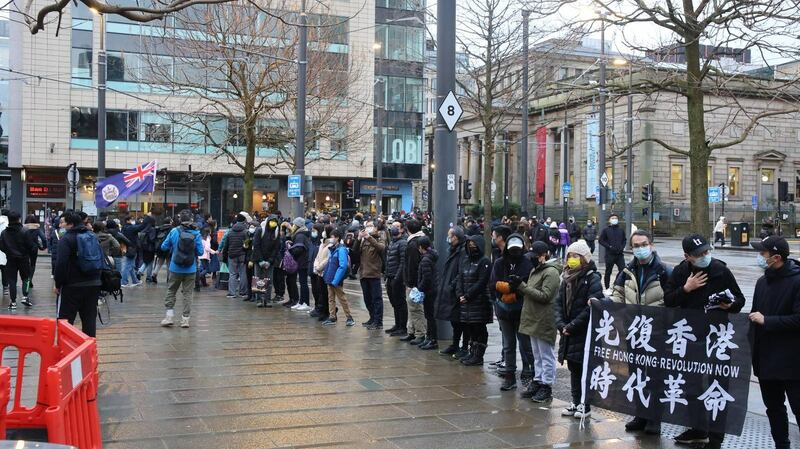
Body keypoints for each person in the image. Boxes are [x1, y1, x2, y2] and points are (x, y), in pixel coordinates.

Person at [664, 234, 745, 449]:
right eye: (699, 254)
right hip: (691, 338)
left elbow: (740, 299)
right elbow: (669, 300)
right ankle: (698, 428)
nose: (705, 256)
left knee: (717, 387)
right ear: (687, 256)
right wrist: (686, 289)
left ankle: (716, 438)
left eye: (706, 252)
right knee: (692, 386)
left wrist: (731, 305)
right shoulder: (681, 272)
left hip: (718, 339)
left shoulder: (720, 270)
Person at [611, 230, 669, 435]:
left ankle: (654, 419)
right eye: (636, 246)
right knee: (636, 375)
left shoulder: (664, 271)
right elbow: (617, 295)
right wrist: (603, 305)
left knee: (655, 377)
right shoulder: (626, 271)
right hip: (634, 332)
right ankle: (640, 415)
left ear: (651, 245)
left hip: (657, 334)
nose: (640, 248)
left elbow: (672, 300)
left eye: (643, 244)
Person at [749, 235, 800, 449]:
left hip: (793, 361)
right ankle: (782, 445)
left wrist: (766, 320)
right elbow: (755, 313)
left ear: (776, 257)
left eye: (763, 253)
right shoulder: (763, 281)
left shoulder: (797, 281)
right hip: (767, 360)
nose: (760, 257)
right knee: (774, 408)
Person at [555, 240, 603, 420]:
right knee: (573, 368)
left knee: (584, 369)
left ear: (584, 258)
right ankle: (575, 401)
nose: (572, 259)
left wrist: (572, 325)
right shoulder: (566, 277)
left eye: (576, 256)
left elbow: (592, 306)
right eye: (569, 256)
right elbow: (558, 303)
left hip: (583, 332)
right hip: (568, 332)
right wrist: (561, 324)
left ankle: (586, 404)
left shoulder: (592, 278)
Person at [516, 241, 562, 403]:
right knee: (537, 354)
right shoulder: (536, 270)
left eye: (535, 256)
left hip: (544, 318)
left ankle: (546, 385)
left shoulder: (551, 272)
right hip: (534, 317)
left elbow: (545, 296)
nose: (532, 259)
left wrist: (521, 286)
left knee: (546, 355)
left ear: (543, 256)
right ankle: (538, 379)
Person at [490, 232, 535, 391]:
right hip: (504, 309)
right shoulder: (500, 262)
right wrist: (505, 290)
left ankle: (529, 371)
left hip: (521, 308)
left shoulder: (527, 263)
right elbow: (494, 283)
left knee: (525, 343)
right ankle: (510, 376)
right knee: (508, 344)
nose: (514, 252)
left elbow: (525, 283)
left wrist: (512, 291)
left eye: (517, 248)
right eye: (512, 249)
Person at [53, 211, 102, 337]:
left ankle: (66, 351)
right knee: (89, 320)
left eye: (63, 223)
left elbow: (61, 264)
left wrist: (58, 283)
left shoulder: (66, 239)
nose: (61, 225)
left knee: (65, 321)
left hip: (72, 286)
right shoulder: (92, 236)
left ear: (71, 224)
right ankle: (89, 352)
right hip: (93, 284)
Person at [159, 210, 204, 328]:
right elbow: (200, 252)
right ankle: (185, 320)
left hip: (175, 267)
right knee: (188, 294)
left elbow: (163, 247)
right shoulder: (197, 234)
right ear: (192, 220)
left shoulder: (174, 231)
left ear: (180, 220)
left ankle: (169, 317)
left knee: (171, 290)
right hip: (191, 269)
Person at [455, 235, 493, 366]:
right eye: (469, 244)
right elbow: (459, 278)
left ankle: (478, 355)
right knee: (470, 328)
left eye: (474, 244)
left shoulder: (485, 261)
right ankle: (472, 352)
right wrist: (460, 294)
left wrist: (468, 295)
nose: (471, 247)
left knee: (479, 328)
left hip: (479, 301)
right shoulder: (465, 260)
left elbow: (482, 281)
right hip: (466, 303)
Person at [436, 226, 467, 357]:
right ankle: (455, 344)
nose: (448, 238)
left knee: (461, 321)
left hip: (457, 291)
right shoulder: (453, 250)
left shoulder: (463, 251)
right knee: (455, 320)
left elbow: (461, 272)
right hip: (451, 289)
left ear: (456, 237)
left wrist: (452, 285)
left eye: (450, 235)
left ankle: (463, 347)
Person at [354, 220, 386, 329]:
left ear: (376, 228)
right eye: (367, 226)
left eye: (371, 226)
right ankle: (372, 318)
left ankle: (378, 321)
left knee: (376, 298)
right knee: (367, 298)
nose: (368, 228)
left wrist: (369, 237)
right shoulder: (363, 240)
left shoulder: (379, 237)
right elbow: (355, 252)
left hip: (374, 273)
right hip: (363, 273)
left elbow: (381, 248)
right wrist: (358, 239)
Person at [322, 228, 355, 327]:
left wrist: (336, 280)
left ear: (337, 238)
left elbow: (343, 265)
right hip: (331, 278)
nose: (331, 239)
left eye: (332, 237)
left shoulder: (341, 249)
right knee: (331, 298)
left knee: (342, 298)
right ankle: (332, 317)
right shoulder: (333, 249)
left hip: (335, 279)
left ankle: (349, 317)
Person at [0, 212, 34, 309]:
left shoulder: (4, 233)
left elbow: (1, 246)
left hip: (10, 259)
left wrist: (8, 252)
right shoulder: (25, 231)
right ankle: (25, 297)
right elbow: (31, 245)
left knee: (12, 281)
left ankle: (13, 302)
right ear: (19, 219)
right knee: (26, 279)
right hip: (23, 259)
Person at [401, 219, 426, 345]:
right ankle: (411, 331)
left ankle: (420, 333)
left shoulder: (412, 244)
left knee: (415, 308)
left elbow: (412, 265)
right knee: (412, 308)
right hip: (415, 282)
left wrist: (411, 282)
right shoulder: (420, 240)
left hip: (413, 283)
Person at [385, 221, 408, 336]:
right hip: (390, 276)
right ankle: (397, 324)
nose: (394, 228)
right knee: (394, 302)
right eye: (393, 226)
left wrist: (397, 278)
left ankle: (402, 327)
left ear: (402, 230)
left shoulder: (402, 243)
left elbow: (403, 262)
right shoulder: (392, 242)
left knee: (400, 302)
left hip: (397, 278)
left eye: (397, 227)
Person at [252, 215, 281, 306]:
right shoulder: (261, 230)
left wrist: (270, 261)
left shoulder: (276, 232)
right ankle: (259, 300)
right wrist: (260, 260)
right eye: (272, 221)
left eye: (275, 222)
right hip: (258, 259)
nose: (273, 224)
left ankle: (267, 299)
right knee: (259, 279)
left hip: (270, 261)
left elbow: (276, 248)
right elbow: (256, 246)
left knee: (269, 280)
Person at [416, 236, 438, 350]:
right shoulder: (430, 257)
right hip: (431, 290)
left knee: (430, 316)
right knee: (429, 316)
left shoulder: (425, 260)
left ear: (420, 247)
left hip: (429, 291)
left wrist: (420, 288)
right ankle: (429, 338)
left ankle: (432, 339)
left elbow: (426, 277)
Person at [221, 214, 249, 299]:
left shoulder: (230, 231)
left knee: (232, 274)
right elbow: (247, 244)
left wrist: (224, 256)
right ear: (244, 221)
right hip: (242, 255)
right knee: (243, 273)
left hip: (232, 255)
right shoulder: (245, 232)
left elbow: (226, 245)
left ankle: (232, 293)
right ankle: (243, 292)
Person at [287, 217, 311, 311]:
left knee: (303, 283)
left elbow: (299, 248)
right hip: (302, 261)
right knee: (302, 282)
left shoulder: (300, 235)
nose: (292, 226)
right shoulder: (301, 234)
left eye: (294, 224)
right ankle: (301, 302)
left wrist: (291, 249)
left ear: (297, 225)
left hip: (302, 261)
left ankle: (305, 303)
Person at [599, 213, 626, 289]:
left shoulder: (621, 230)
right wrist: (609, 246)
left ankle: (616, 284)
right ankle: (607, 288)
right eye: (613, 218)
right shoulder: (606, 230)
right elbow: (601, 240)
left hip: (619, 254)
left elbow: (624, 240)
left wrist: (622, 247)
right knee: (608, 272)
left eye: (616, 218)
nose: (614, 219)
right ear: (609, 220)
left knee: (623, 270)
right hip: (610, 255)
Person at [309, 223, 329, 317]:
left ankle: (322, 309)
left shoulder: (322, 244)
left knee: (320, 291)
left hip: (320, 271)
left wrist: (318, 267)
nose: (313, 233)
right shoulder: (313, 242)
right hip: (313, 269)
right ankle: (318, 307)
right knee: (315, 290)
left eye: (314, 231)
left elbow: (324, 258)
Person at [121, 215, 147, 287]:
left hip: (127, 248)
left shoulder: (124, 228)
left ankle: (135, 280)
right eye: (131, 219)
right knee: (128, 265)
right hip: (132, 248)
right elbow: (141, 227)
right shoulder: (130, 228)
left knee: (131, 265)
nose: (133, 221)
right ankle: (124, 282)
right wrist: (147, 219)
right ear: (127, 220)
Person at [23, 214, 46, 285]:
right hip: (34, 248)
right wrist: (43, 247)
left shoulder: (23, 228)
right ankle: (30, 279)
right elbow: (43, 238)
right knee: (32, 264)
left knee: (25, 264)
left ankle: (26, 279)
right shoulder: (37, 229)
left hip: (24, 248)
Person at [151, 217, 174, 284]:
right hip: (168, 248)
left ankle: (154, 274)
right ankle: (169, 278)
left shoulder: (159, 228)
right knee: (169, 263)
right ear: (169, 222)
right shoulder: (172, 229)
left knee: (159, 262)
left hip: (160, 248)